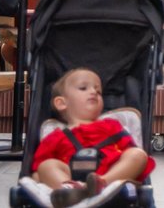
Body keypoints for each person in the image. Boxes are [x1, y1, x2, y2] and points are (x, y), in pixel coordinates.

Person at [30, 66, 152, 204]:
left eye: (98, 91)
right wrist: (41, 177)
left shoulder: (111, 125)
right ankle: (69, 189)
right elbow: (38, 169)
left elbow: (129, 152)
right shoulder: (55, 135)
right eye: (83, 88)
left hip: (110, 176)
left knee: (137, 154)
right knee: (46, 165)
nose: (93, 92)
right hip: (70, 175)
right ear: (61, 103)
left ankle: (101, 184)